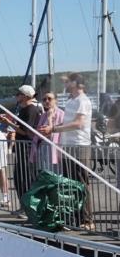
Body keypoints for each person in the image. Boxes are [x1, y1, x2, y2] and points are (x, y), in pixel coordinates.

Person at [42, 72, 94, 229]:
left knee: (81, 183)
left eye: (68, 82)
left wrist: (54, 129)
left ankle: (87, 220)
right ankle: (75, 218)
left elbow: (79, 123)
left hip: (79, 145)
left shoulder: (83, 101)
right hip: (68, 146)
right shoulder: (72, 100)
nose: (65, 85)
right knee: (70, 183)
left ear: (76, 83)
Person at [0, 84, 42, 206]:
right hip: (21, 147)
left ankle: (28, 207)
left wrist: (9, 123)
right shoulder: (25, 109)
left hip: (27, 147)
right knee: (19, 177)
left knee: (25, 177)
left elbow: (26, 131)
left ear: (25, 96)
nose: (16, 96)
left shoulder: (31, 109)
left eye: (19, 94)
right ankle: (24, 206)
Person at [30, 91, 65, 174]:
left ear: (56, 100)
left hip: (54, 148)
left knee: (55, 173)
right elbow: (39, 133)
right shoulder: (43, 115)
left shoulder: (61, 114)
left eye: (49, 99)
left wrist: (49, 119)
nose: (46, 101)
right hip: (43, 148)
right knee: (44, 172)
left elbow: (53, 133)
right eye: (44, 99)